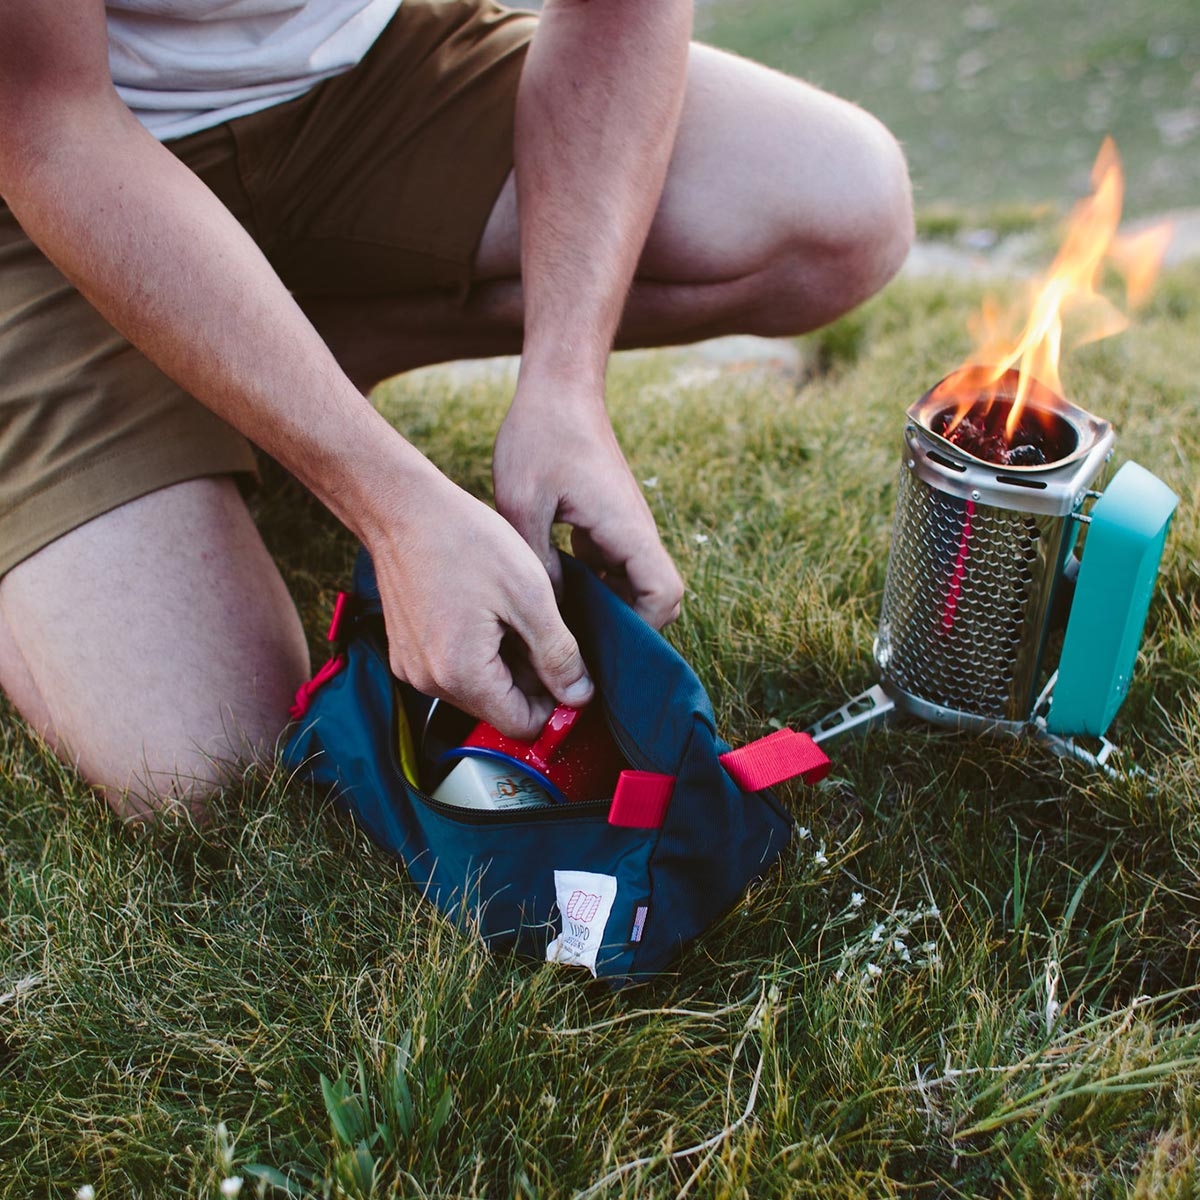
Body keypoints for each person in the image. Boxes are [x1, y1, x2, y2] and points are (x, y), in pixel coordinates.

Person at [0, 0, 913, 821]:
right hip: (50, 151)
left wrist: (565, 382)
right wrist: (394, 509)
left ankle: (267, 360)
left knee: (842, 201)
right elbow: (47, 123)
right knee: (198, 762)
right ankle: (210, 382)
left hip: (365, 84)